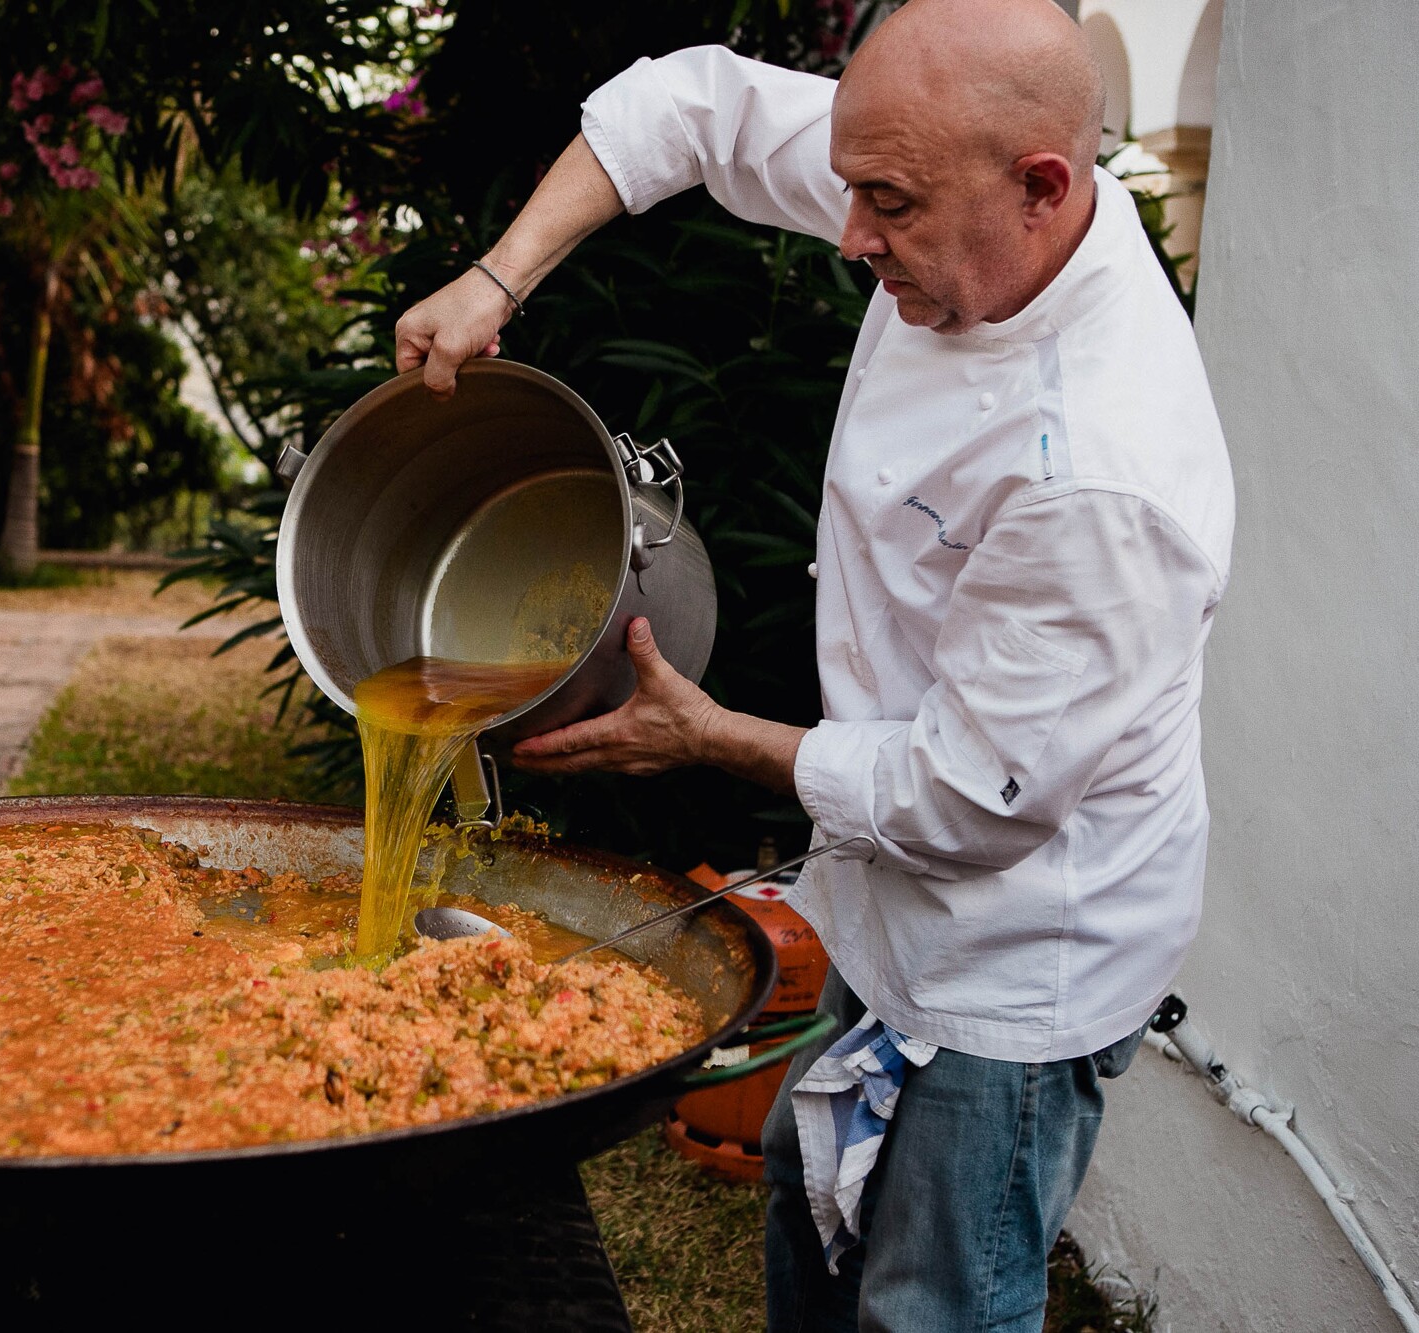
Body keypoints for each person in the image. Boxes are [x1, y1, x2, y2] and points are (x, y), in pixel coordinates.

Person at [392, 0, 1234, 1328]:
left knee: (927, 1298)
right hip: (883, 876)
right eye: (853, 187)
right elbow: (697, 106)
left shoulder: (1104, 472)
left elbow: (968, 800)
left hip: (1018, 947)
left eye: (884, 206)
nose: (849, 237)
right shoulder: (952, 176)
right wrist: (499, 279)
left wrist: (709, 735)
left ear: (1042, 191)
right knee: (808, 1203)